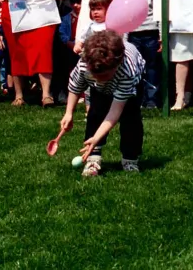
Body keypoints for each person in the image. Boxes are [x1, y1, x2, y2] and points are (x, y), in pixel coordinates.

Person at [61, 31, 146, 177]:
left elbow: (114, 113)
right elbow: (75, 87)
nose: (100, 79)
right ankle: (93, 158)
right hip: (99, 90)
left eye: (104, 76)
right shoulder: (85, 65)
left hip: (130, 86)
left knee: (131, 120)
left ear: (117, 64)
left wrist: (97, 137)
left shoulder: (127, 71)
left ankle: (130, 159)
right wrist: (69, 113)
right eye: (95, 75)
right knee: (95, 114)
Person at [123, 0, 162, 109]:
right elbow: (126, 19)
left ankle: (152, 100)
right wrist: (125, 39)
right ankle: (137, 99)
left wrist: (161, 37)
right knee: (135, 68)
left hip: (150, 35)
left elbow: (159, 18)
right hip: (134, 35)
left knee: (152, 67)